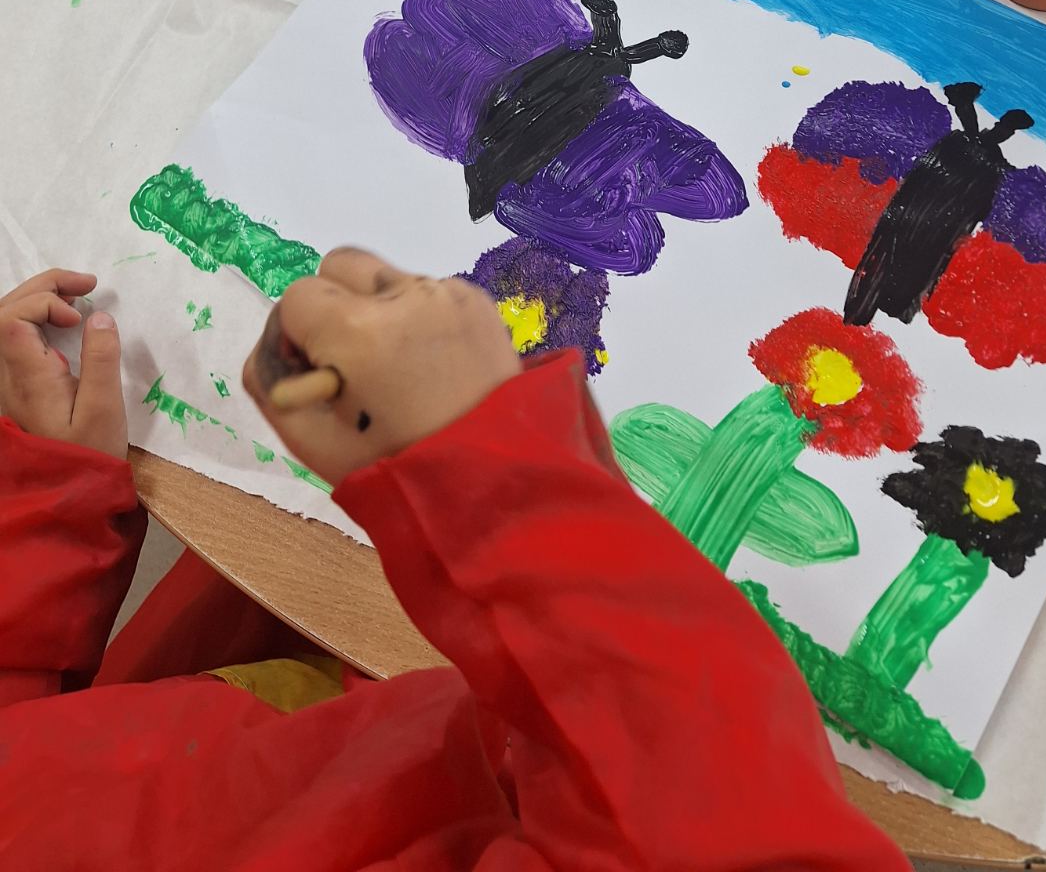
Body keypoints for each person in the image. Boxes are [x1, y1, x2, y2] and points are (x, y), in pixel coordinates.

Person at [0, 255, 907, 871]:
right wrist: (501, 477)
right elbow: (737, 832)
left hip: (234, 718)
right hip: (555, 758)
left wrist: (44, 504)